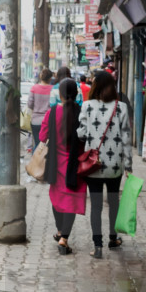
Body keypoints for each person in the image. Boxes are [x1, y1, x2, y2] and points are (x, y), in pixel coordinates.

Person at [77, 70, 132, 259]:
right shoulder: (121, 107)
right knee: (114, 202)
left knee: (97, 206)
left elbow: (81, 133)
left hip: (94, 164)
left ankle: (98, 246)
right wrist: (129, 165)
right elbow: (126, 138)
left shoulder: (86, 106)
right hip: (115, 164)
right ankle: (113, 238)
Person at [40, 78, 86, 254]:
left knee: (57, 199)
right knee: (71, 203)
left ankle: (60, 231)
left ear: (59, 94)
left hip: (55, 165)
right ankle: (64, 238)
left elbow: (43, 136)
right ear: (76, 94)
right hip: (75, 165)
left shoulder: (52, 113)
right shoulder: (82, 113)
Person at [27, 68, 54, 152]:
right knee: (48, 146)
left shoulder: (34, 88)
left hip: (35, 121)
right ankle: (46, 164)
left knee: (38, 144)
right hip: (50, 121)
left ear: (40, 77)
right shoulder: (53, 89)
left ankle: (35, 163)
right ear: (50, 78)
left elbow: (30, 104)